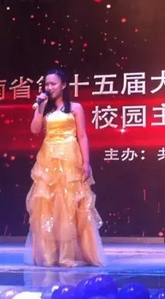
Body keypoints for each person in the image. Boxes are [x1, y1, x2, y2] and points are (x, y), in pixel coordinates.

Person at [24, 69, 105, 267]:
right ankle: (50, 254)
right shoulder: (44, 107)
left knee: (69, 203)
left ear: (64, 85)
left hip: (70, 155)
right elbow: (35, 129)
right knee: (48, 204)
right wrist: (39, 108)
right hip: (49, 156)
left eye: (53, 83)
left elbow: (82, 135)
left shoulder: (75, 107)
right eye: (47, 84)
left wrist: (86, 162)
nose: (49, 87)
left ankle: (71, 254)